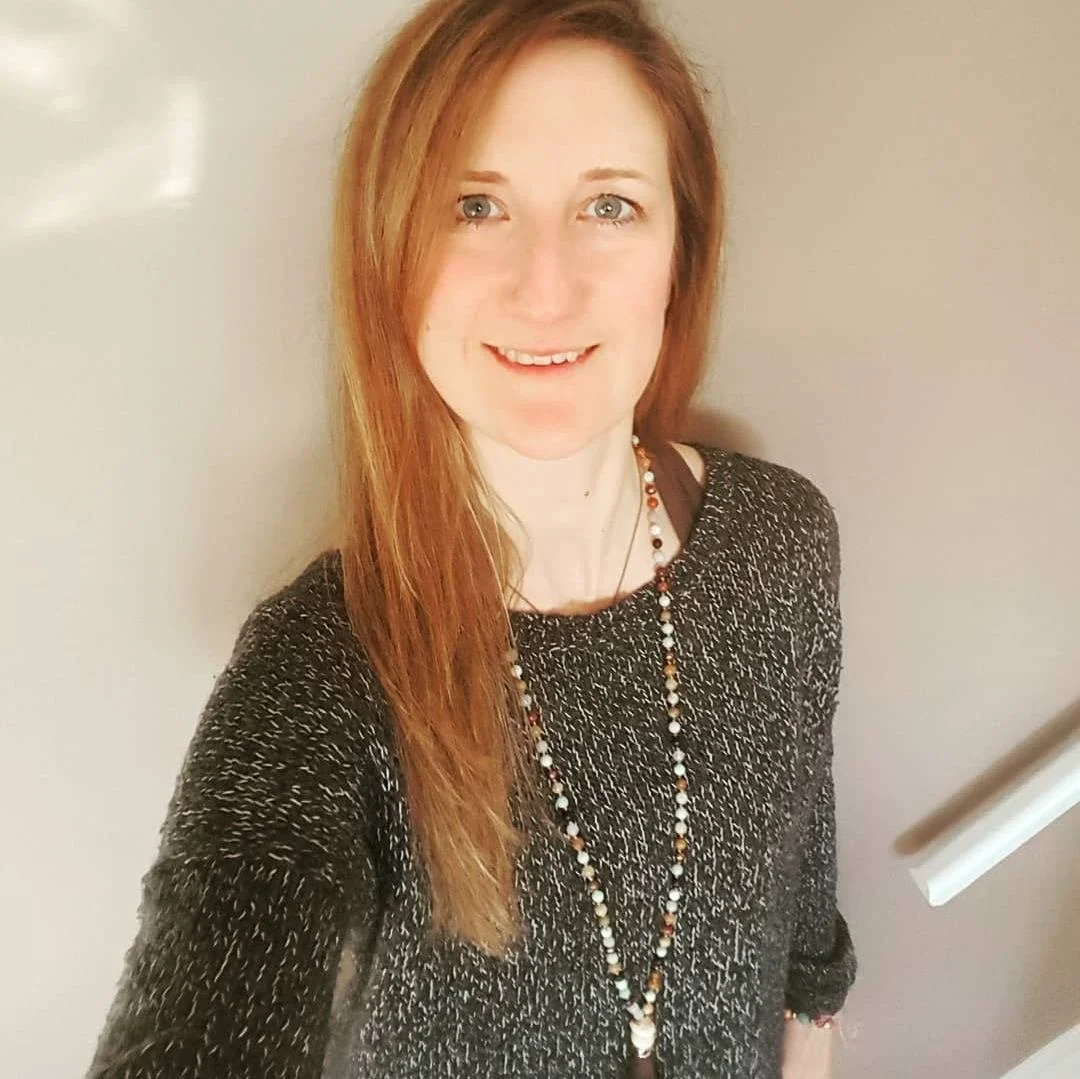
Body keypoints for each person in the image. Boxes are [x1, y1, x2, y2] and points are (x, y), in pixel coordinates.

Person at [86, 1, 857, 1076]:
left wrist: (815, 1030)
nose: (546, 286)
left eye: (610, 204)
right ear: (389, 250)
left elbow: (804, 875)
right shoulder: (320, 673)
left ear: (681, 249)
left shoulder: (783, 539)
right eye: (476, 204)